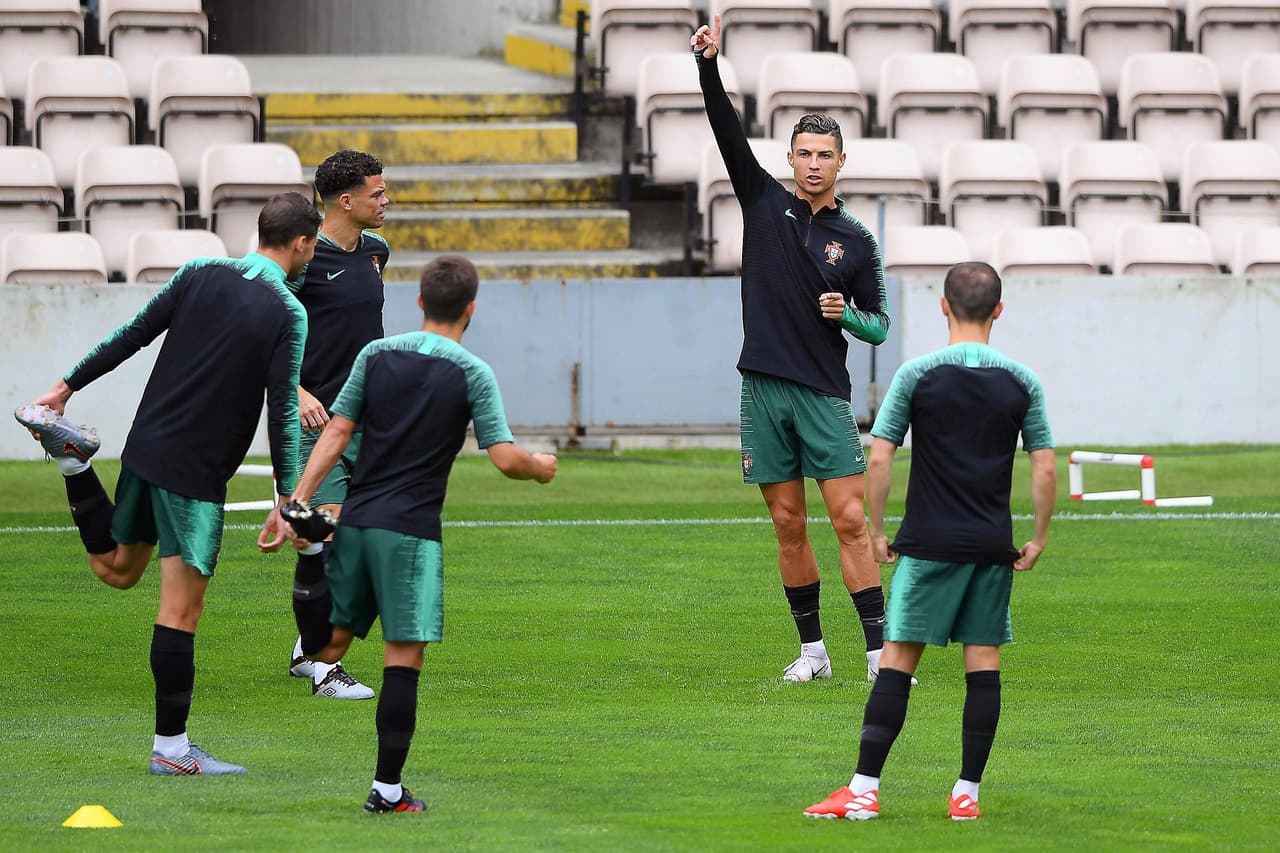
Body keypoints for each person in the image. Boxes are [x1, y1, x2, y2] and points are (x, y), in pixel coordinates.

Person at [14, 192, 320, 776]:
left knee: (117, 569)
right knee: (182, 612)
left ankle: (75, 463)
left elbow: (132, 334)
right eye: (313, 246)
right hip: (195, 475)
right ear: (302, 243)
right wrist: (287, 497)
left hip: (146, 447)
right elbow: (283, 407)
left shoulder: (199, 270)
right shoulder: (288, 312)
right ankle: (172, 750)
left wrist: (65, 386)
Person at [270, 254, 557, 814]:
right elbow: (504, 458)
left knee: (328, 647)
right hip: (410, 535)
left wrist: (298, 500)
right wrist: (539, 467)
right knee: (402, 659)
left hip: (355, 521)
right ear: (471, 308)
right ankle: (387, 790)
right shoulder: (472, 372)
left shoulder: (375, 354)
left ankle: (313, 569)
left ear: (420, 301)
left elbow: (338, 431)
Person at [803, 262, 1057, 822]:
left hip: (928, 544)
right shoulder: (1023, 381)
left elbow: (880, 457)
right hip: (991, 546)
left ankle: (863, 791)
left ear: (944, 306)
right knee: (983, 662)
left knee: (897, 659)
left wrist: (876, 531)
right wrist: (1037, 538)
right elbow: (1043, 467)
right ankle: (967, 795)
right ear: (998, 310)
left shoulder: (916, 375)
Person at [691, 17, 895, 683]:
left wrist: (847, 315)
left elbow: (880, 326)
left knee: (850, 520)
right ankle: (813, 653)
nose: (812, 163)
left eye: (824, 155)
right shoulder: (761, 202)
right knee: (787, 521)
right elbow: (725, 129)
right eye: (803, 153)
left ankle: (878, 655)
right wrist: (708, 66)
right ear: (790, 159)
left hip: (822, 393)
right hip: (761, 387)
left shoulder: (857, 240)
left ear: (841, 162)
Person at [284, 149, 391, 701]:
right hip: (315, 422)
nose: (387, 200)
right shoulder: (302, 260)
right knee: (326, 539)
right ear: (345, 201)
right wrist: (297, 391)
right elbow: (267, 336)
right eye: (378, 192)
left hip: (366, 420)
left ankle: (307, 650)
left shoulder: (376, 252)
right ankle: (327, 669)